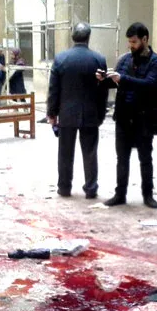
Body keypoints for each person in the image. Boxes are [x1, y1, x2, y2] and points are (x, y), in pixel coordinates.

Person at [99, 22, 157, 209]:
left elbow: (150, 85)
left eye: (134, 42)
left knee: (145, 158)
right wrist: (104, 80)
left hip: (144, 117)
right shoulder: (124, 60)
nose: (131, 45)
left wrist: (123, 79)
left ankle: (148, 195)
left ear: (145, 39)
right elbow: (115, 84)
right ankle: (120, 194)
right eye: (129, 42)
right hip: (123, 117)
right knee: (122, 158)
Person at [47, 23, 108, 199]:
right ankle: (91, 189)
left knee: (65, 153)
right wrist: (101, 114)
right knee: (90, 153)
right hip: (90, 113)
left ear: (72, 36)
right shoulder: (98, 59)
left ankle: (64, 188)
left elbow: (54, 90)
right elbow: (103, 91)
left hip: (67, 113)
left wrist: (52, 113)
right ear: (88, 37)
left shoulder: (61, 59)